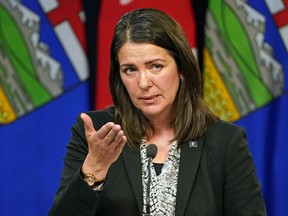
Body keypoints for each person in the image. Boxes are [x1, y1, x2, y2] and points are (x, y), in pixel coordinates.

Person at [49, 8, 267, 216]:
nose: (143, 83)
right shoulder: (97, 133)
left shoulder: (225, 142)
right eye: (130, 70)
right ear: (119, 77)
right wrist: (95, 169)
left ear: (181, 68)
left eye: (156, 66)